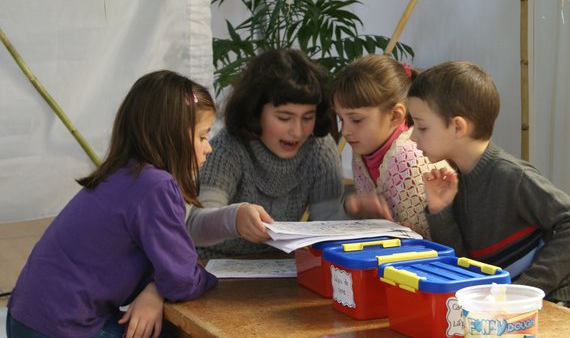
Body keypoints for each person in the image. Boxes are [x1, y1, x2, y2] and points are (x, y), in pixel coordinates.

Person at [6, 70, 219, 338]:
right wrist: (213, 279)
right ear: (171, 136)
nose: (208, 147)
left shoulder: (123, 174)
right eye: (202, 136)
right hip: (62, 327)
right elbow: (181, 280)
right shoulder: (157, 186)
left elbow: (171, 268)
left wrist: (155, 288)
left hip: (26, 318)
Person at [407, 60, 570, 303]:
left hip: (561, 305)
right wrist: (440, 209)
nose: (412, 136)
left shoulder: (510, 175)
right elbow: (462, 266)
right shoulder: (459, 179)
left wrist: (526, 289)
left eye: (421, 127)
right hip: (503, 309)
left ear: (457, 126)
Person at [187, 49, 392, 259]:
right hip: (211, 266)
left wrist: (351, 210)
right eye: (285, 118)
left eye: (307, 117)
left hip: (279, 268)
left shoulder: (320, 149)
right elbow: (194, 225)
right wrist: (234, 218)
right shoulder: (228, 148)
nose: (298, 131)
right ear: (255, 112)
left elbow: (325, 224)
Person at [332, 54, 449, 239]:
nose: (345, 131)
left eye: (356, 120)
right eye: (341, 119)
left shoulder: (412, 160)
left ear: (395, 116)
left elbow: (436, 241)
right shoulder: (361, 154)